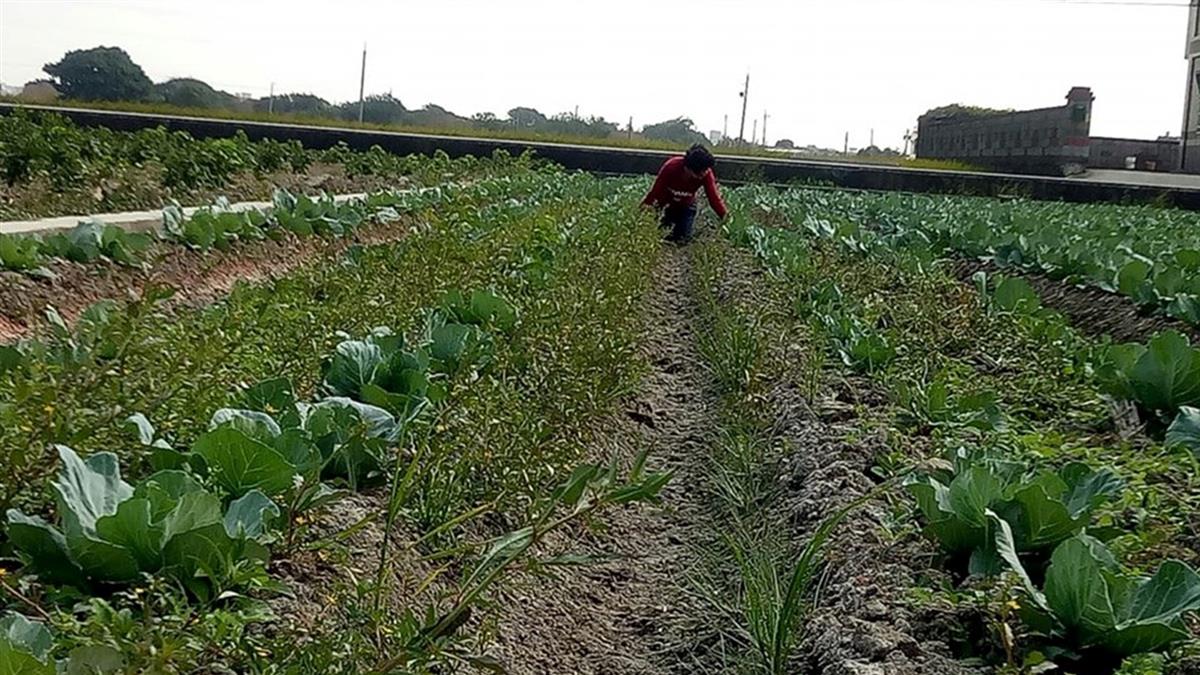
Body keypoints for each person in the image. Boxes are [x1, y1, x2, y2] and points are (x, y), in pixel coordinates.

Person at [641, 143, 727, 243]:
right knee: (660, 234)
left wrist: (726, 219)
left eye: (706, 171)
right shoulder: (670, 167)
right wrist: (641, 213)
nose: (703, 175)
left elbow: (714, 199)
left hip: (686, 206)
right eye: (699, 173)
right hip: (665, 205)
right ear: (688, 168)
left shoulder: (706, 173)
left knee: (682, 239)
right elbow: (655, 192)